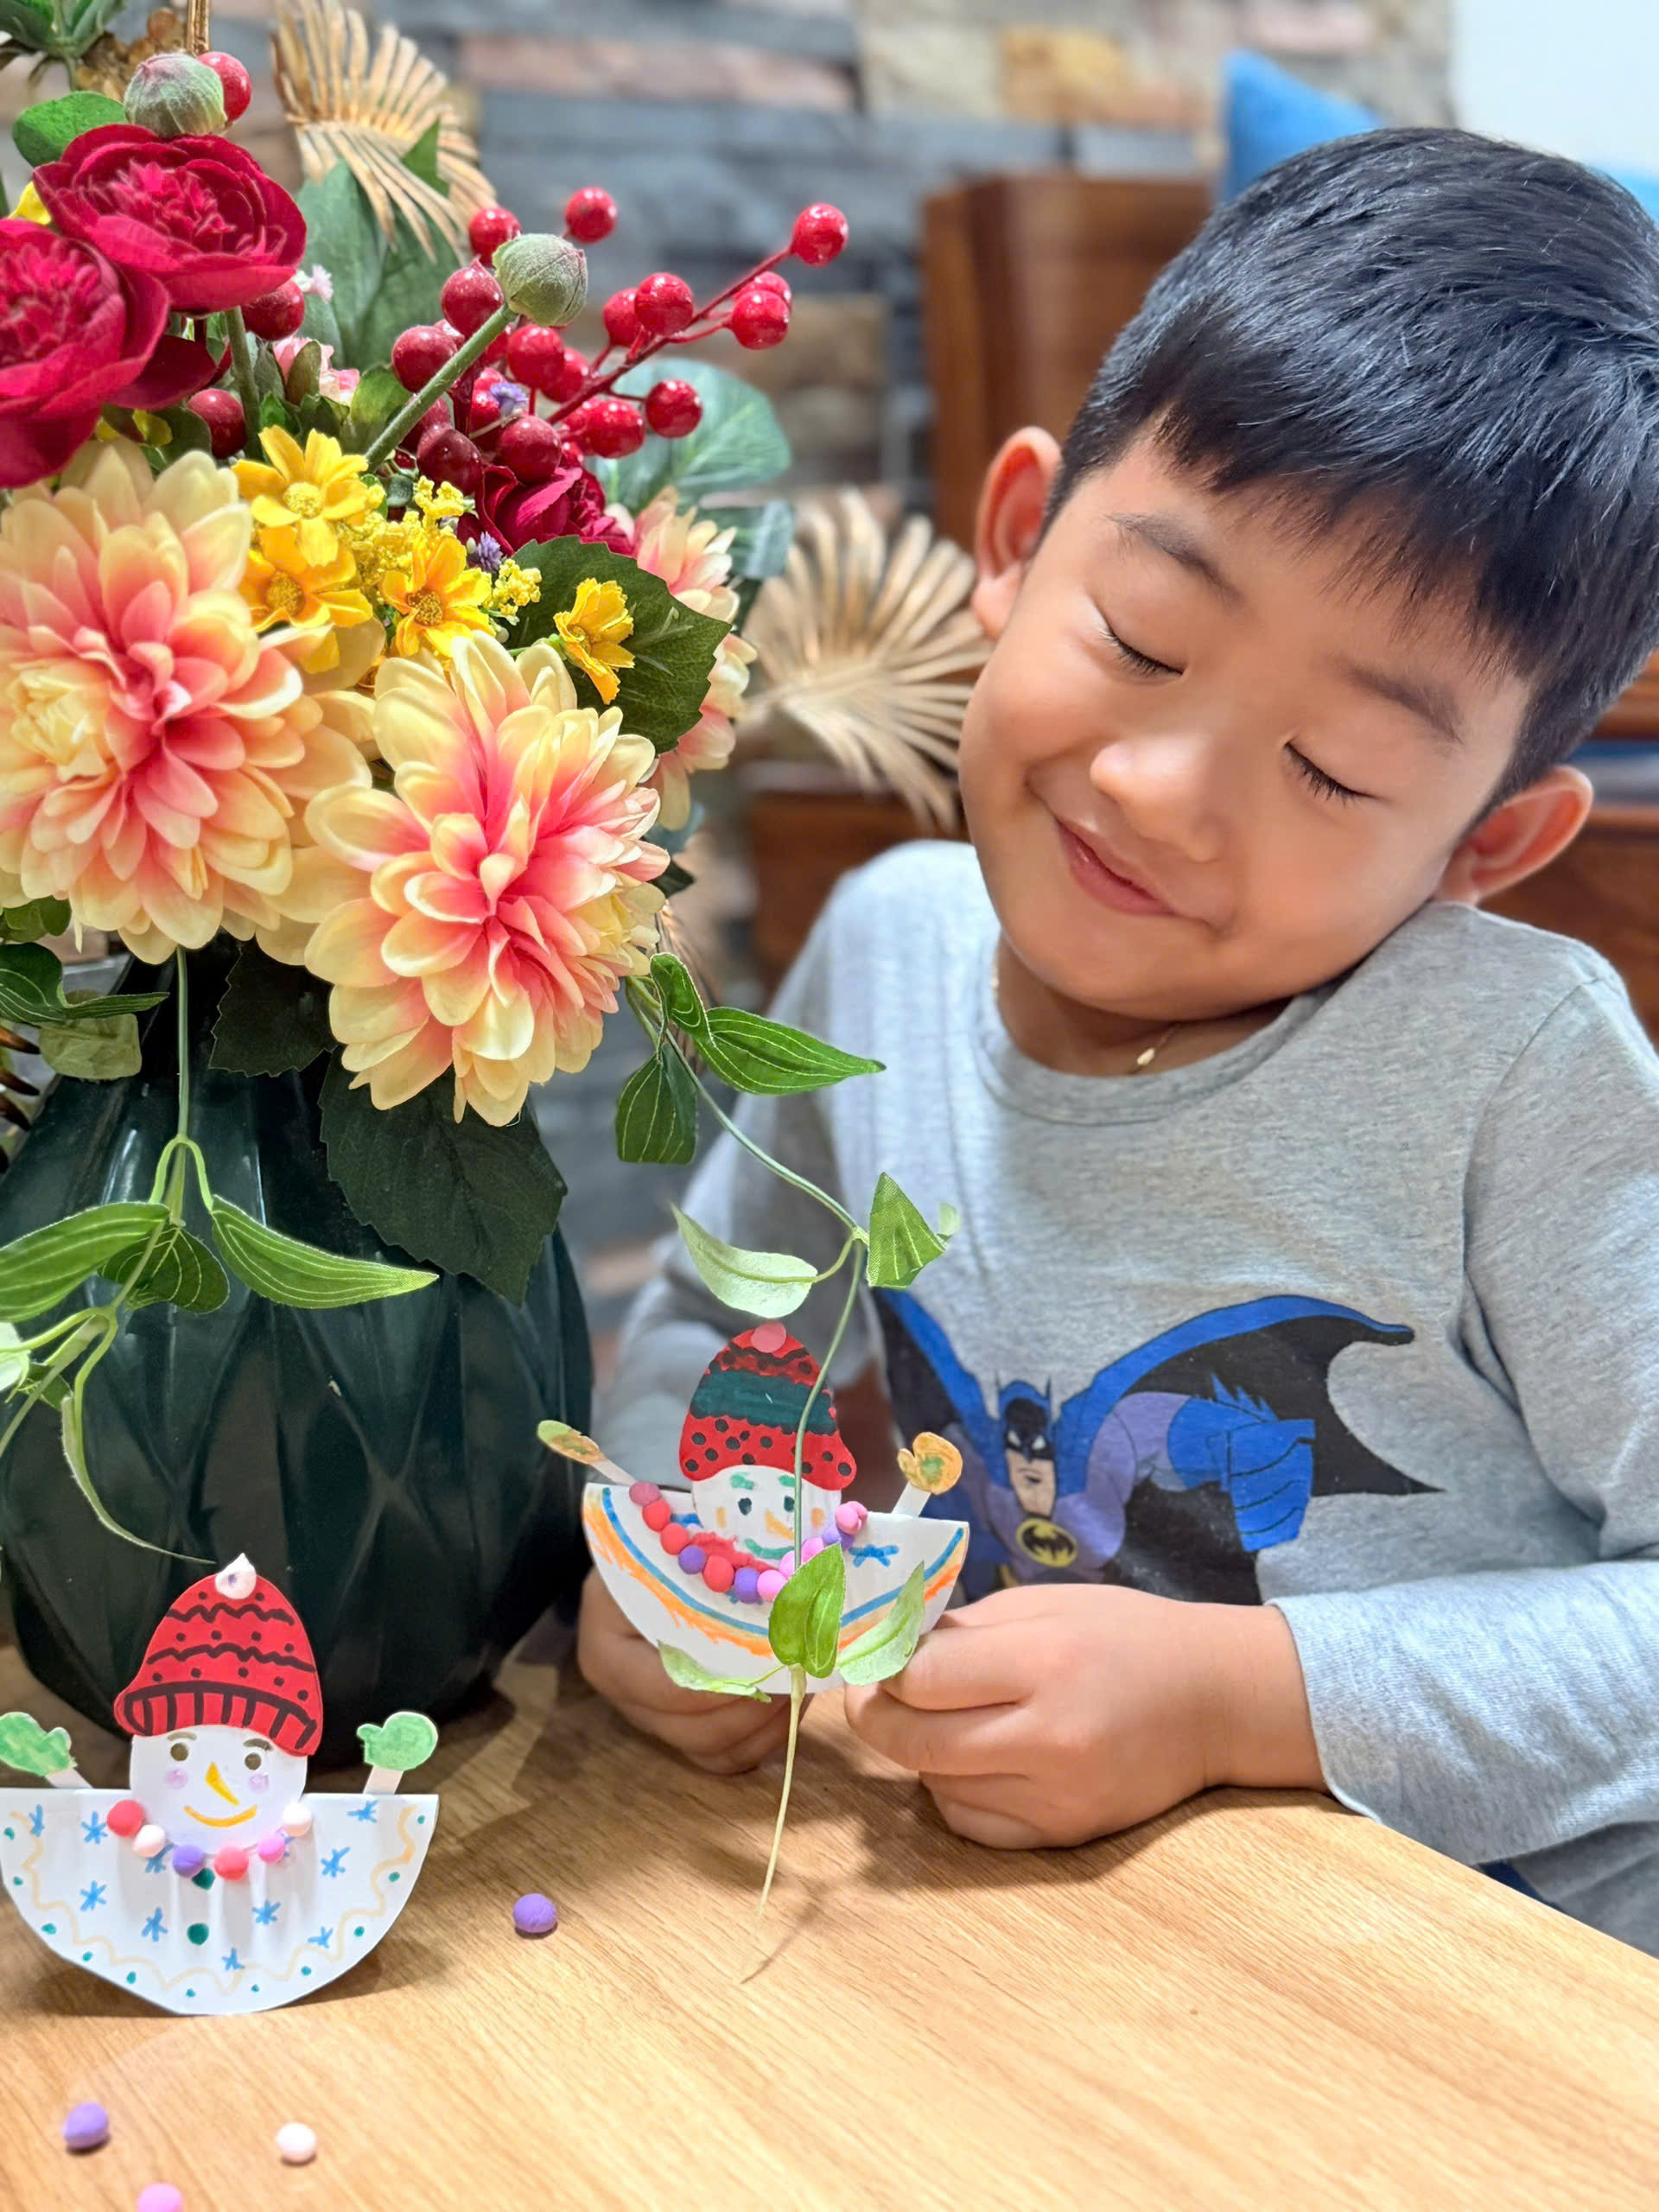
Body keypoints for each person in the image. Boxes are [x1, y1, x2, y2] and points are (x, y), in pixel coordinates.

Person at [582, 127, 1659, 1953]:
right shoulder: (883, 950)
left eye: (1335, 769)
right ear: (1012, 542)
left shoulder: (1518, 1075)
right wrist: (662, 1542)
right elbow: (718, 1324)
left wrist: (1240, 1694)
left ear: (1486, 845)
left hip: (1510, 1984)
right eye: (1144, 638)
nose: (1163, 791)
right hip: (1080, 1954)